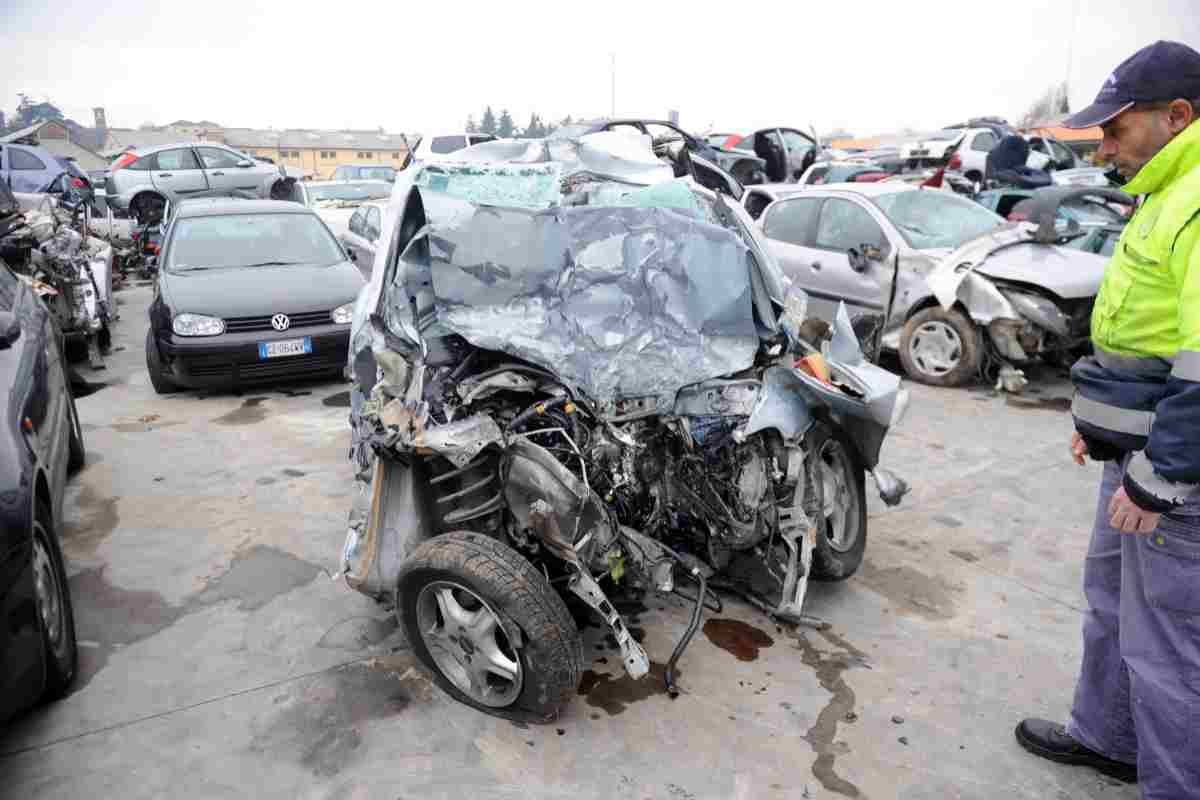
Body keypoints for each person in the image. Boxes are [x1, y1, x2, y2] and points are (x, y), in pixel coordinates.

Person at [1014, 40, 1200, 799]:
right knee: (1113, 607)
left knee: (1167, 645)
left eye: (1117, 128)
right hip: (1134, 458)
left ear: (1177, 116)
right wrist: (1101, 426)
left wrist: (1159, 480)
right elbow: (1141, 333)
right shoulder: (1165, 193)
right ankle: (1110, 738)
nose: (1105, 143)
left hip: (1171, 478)